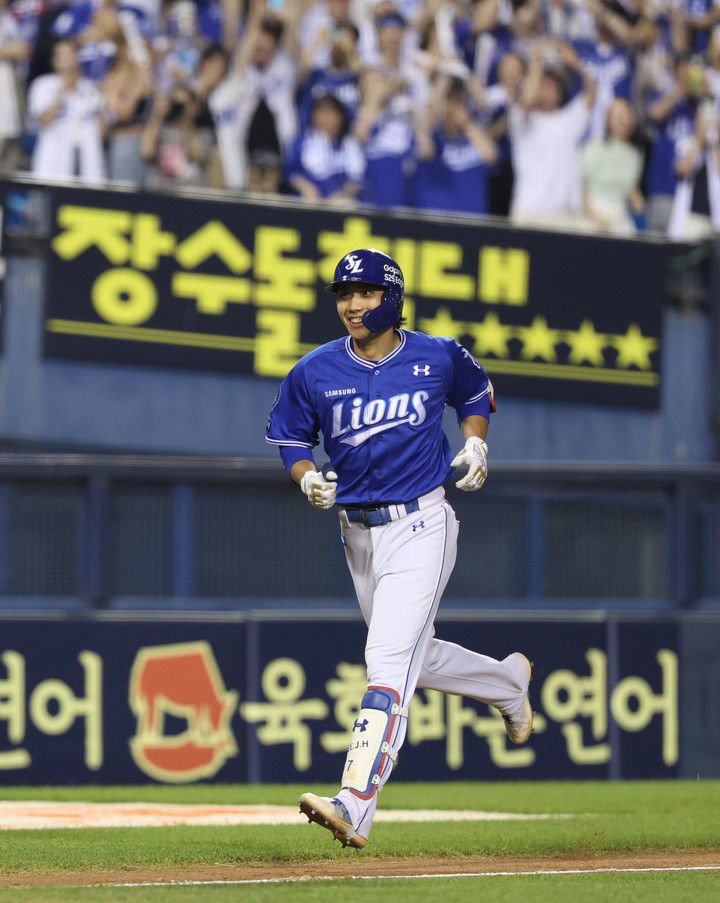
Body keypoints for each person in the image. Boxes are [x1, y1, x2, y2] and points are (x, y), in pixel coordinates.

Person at [266, 248, 533, 850]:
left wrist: (476, 444)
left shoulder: (436, 354)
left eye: (364, 292)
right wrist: (306, 477)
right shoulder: (314, 369)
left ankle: (355, 802)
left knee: (386, 659)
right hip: (356, 533)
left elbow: (475, 393)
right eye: (343, 294)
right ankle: (507, 683)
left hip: (421, 522)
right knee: (418, 657)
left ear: (391, 297)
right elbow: (290, 437)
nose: (352, 305)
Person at [509, 40, 596, 227]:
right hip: (528, 210)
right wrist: (536, 63)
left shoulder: (569, 119)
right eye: (544, 83)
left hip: (562, 212)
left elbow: (592, 93)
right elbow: (528, 99)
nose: (549, 87)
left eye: (554, 83)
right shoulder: (521, 117)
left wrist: (576, 64)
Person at [28, 37, 106, 182]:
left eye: (71, 53)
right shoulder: (43, 85)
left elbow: (103, 129)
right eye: (63, 54)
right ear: (54, 60)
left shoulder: (90, 88)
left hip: (86, 159)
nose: (69, 59)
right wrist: (63, 91)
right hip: (54, 159)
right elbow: (44, 119)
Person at [580, 97, 645, 234]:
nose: (621, 120)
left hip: (620, 215)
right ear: (608, 120)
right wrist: (597, 218)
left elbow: (631, 190)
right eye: (617, 116)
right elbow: (580, 188)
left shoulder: (634, 155)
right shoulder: (593, 148)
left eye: (625, 115)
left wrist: (642, 208)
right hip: (592, 213)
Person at [286, 94, 364, 203]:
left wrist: (342, 195)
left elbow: (358, 179)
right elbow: (291, 172)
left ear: (341, 117)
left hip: (341, 203)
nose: (326, 118)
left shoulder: (350, 145)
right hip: (308, 201)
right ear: (314, 115)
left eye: (331, 113)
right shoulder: (302, 141)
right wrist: (307, 188)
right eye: (322, 112)